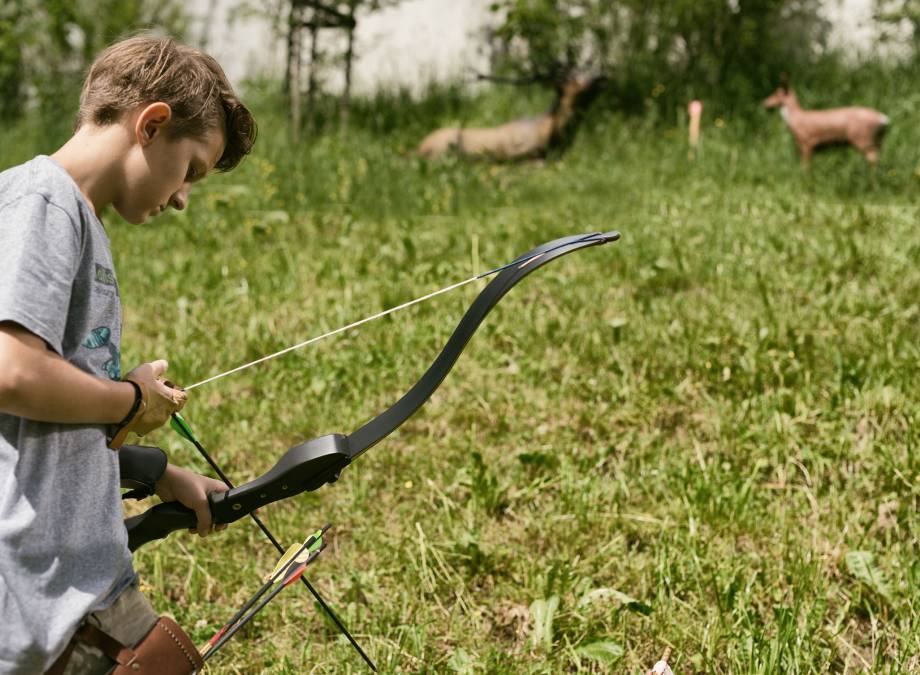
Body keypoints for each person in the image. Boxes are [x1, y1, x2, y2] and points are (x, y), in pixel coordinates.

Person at [0, 35, 257, 674]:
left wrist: (159, 472)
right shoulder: (43, 203)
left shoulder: (77, 222)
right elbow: (12, 373)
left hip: (80, 585)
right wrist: (132, 398)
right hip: (37, 596)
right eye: (191, 169)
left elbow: (41, 426)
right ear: (152, 123)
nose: (181, 197)